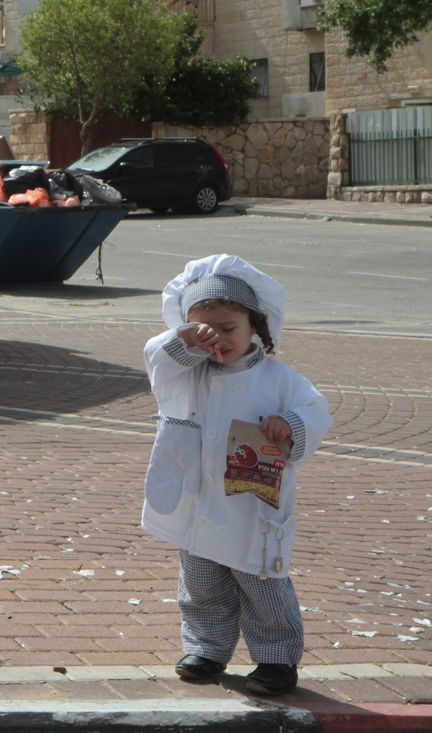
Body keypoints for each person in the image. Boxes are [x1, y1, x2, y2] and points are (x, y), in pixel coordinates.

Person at [141, 253, 331, 697]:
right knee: (201, 585)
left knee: (263, 586)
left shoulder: (281, 380)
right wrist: (183, 340)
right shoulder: (188, 374)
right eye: (204, 331)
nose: (218, 341)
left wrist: (292, 427)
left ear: (256, 329)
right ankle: (206, 649)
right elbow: (158, 360)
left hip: (252, 504)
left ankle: (277, 660)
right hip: (199, 499)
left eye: (228, 329)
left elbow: (315, 411)